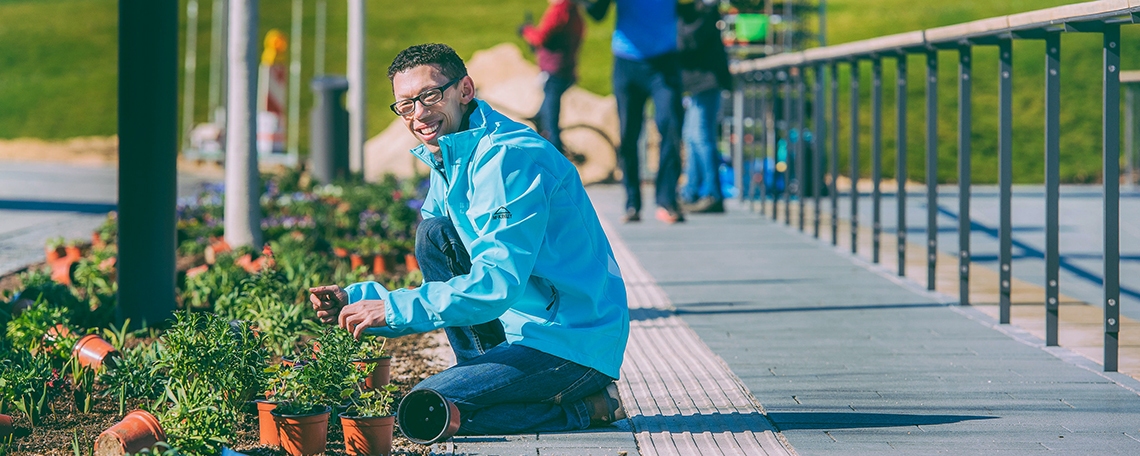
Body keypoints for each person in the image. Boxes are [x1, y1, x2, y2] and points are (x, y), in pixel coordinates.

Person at [308, 43, 629, 435]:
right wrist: (356, 301)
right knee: (434, 234)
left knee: (423, 408)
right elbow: (440, 276)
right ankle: (484, 380)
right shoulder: (451, 153)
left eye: (430, 95)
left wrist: (391, 310)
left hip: (570, 339)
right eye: (406, 105)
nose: (419, 114)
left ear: (465, 90)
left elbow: (496, 284)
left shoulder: (509, 159)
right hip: (516, 331)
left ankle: (586, 409)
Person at [582, 0, 686, 224]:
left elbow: (691, 11)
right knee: (628, 134)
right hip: (627, 63)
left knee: (670, 126)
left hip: (664, 62)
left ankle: (667, 200)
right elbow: (596, 13)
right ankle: (632, 202)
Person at [678, 0, 732, 213]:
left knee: (701, 136)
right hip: (696, 82)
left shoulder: (702, 11)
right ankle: (690, 192)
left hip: (707, 80)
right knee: (691, 136)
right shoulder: (692, 10)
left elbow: (687, 40)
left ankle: (712, 194)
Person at [520, 0, 585, 155]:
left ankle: (555, 159)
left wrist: (527, 31)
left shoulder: (560, 10)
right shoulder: (572, 9)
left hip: (555, 71)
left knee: (550, 124)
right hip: (566, 69)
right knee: (542, 117)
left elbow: (541, 37)